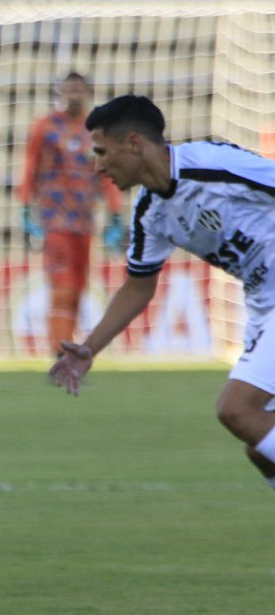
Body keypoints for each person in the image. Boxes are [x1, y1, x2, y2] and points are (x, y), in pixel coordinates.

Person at [50, 94, 275, 490]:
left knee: (237, 411)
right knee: (261, 448)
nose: (98, 165)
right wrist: (90, 347)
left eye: (103, 152)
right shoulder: (150, 213)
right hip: (262, 305)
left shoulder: (211, 164)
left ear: (134, 143)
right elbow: (139, 286)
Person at [18, 72, 125, 356]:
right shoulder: (46, 127)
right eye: (69, 89)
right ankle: (59, 348)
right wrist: (26, 209)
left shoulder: (96, 131)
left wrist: (115, 214)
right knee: (62, 285)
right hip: (55, 220)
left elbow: (107, 174)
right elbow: (30, 166)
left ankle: (68, 343)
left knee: (78, 286)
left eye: (79, 89)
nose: (74, 95)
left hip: (84, 221)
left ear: (88, 93)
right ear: (61, 93)